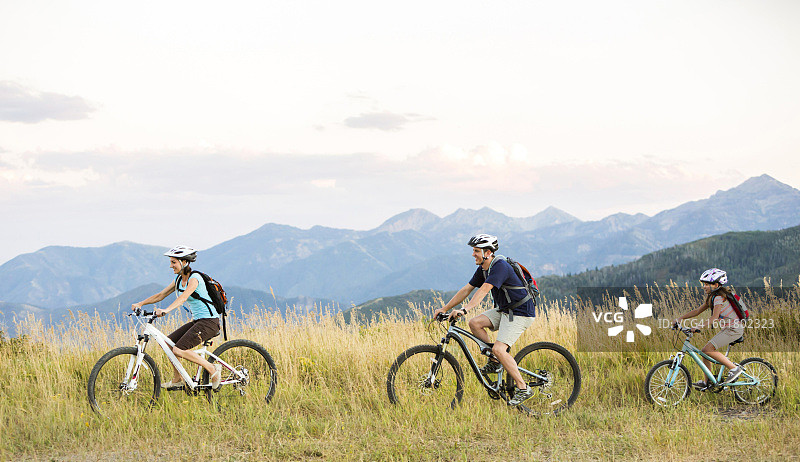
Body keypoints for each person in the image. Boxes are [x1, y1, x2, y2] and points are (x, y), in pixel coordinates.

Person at [433, 233, 536, 406]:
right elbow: (467, 289)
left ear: (487, 252)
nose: (473, 254)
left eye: (476, 251)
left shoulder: (500, 266)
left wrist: (465, 309)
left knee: (499, 349)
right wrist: (445, 308)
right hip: (504, 310)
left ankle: (523, 387)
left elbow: (483, 290)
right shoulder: (483, 268)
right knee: (475, 323)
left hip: (519, 312)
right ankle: (495, 362)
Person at [132, 245, 222, 390]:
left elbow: (183, 297)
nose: (170, 265)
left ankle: (212, 369)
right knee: (169, 343)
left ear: (184, 262)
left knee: (179, 350)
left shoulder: (195, 278)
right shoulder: (179, 279)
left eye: (174, 262)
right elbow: (160, 295)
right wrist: (140, 303)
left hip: (209, 322)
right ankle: (178, 379)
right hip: (198, 321)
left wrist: (167, 310)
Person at [674, 268, 744, 390]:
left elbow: (714, 317)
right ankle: (708, 383)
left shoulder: (719, 298)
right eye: (704, 284)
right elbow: (697, 311)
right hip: (728, 329)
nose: (704, 287)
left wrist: (697, 327)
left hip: (734, 329)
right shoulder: (713, 297)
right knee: (704, 352)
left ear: (716, 285)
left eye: (707, 284)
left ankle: (734, 369)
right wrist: (680, 318)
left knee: (707, 349)